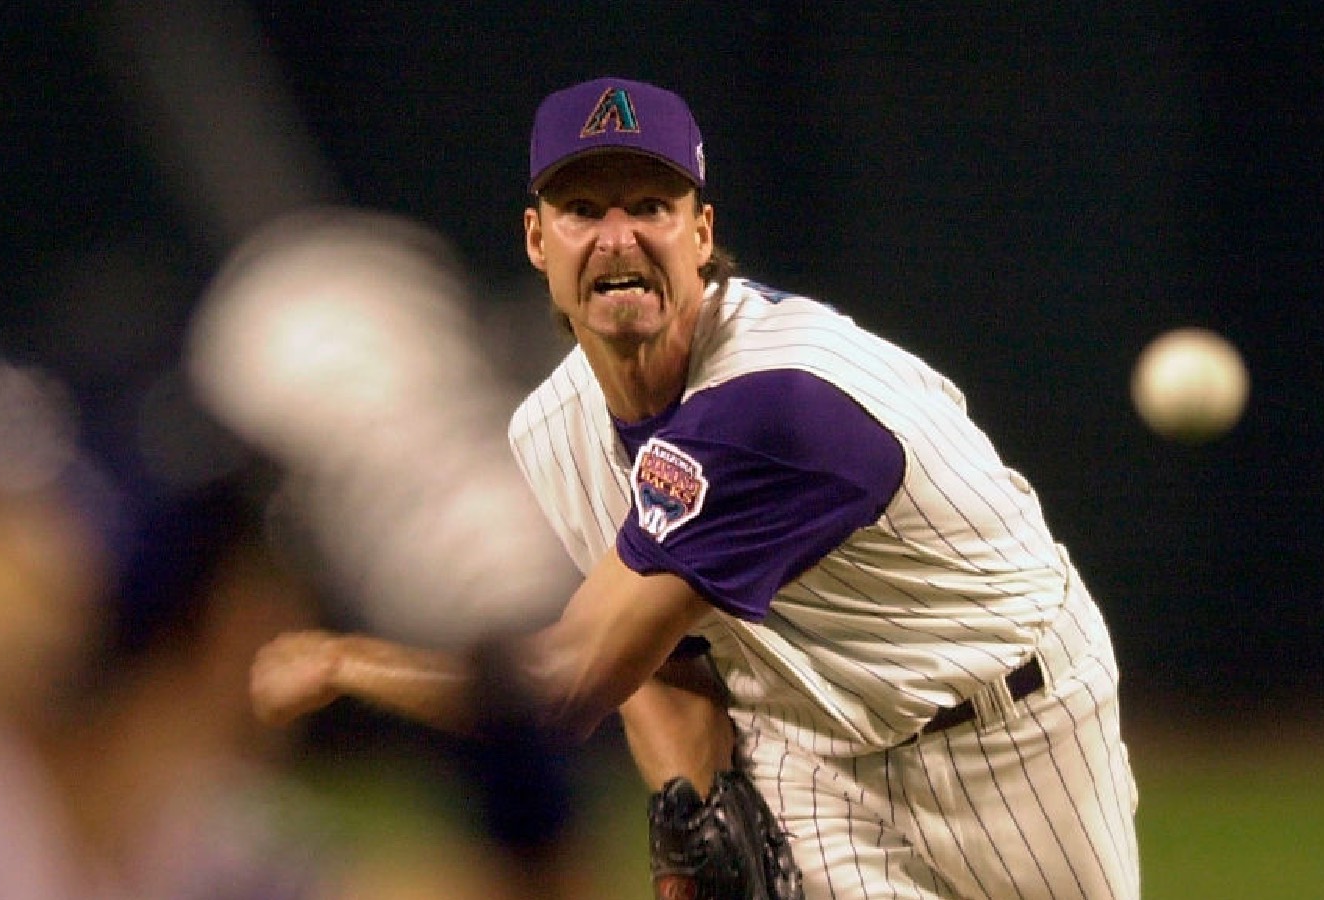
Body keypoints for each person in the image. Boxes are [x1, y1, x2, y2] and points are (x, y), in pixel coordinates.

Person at [250, 76, 1140, 899]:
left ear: (701, 236)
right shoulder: (554, 431)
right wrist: (693, 803)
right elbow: (656, 661)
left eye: (650, 206)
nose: (618, 237)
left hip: (1013, 727)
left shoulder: (776, 401)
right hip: (812, 747)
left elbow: (568, 681)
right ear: (537, 241)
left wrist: (341, 663)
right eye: (582, 209)